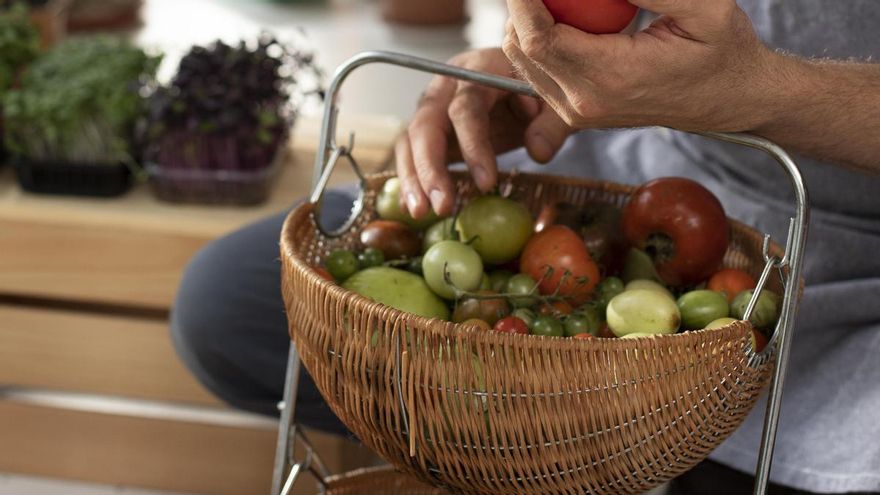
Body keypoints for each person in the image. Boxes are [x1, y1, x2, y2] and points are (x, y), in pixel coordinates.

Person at [170, 0, 880, 493]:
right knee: (228, 301)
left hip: (857, 260)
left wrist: (763, 95)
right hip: (654, 172)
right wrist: (547, 63)